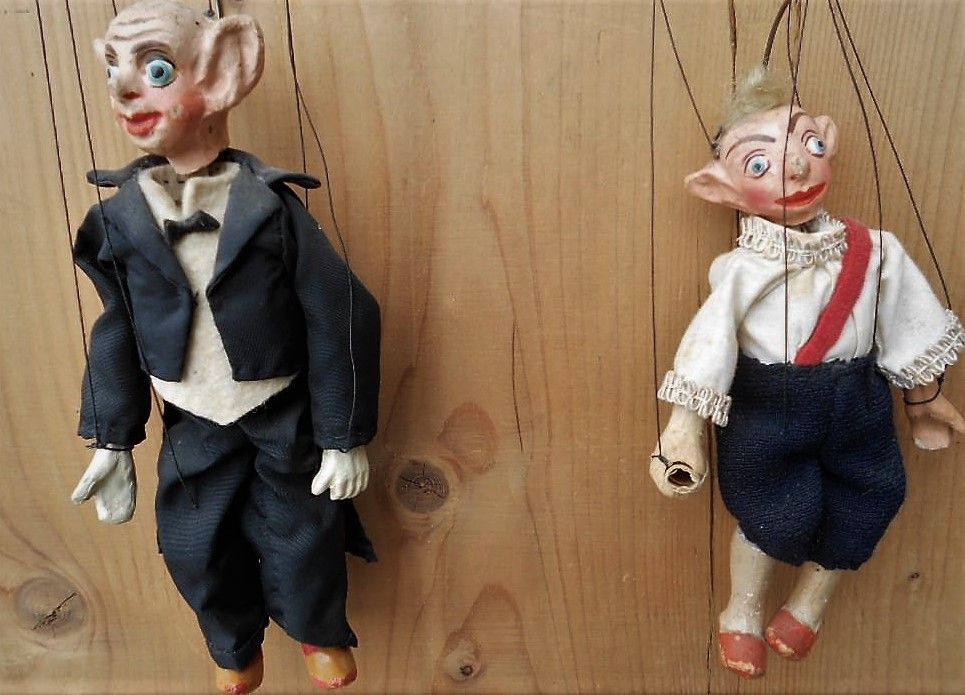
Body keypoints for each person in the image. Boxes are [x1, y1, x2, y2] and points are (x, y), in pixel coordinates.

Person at [68, 2, 380, 691]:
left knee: (304, 529)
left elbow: (342, 313)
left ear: (225, 73)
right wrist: (112, 439)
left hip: (278, 407)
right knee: (192, 541)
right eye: (113, 69)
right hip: (191, 414)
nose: (125, 89)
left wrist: (343, 436)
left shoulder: (270, 209)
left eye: (155, 70)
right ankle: (232, 643)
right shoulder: (118, 220)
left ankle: (317, 630)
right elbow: (116, 327)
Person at [649, 67, 964, 678]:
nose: (795, 167)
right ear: (720, 188)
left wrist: (922, 397)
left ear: (828, 140)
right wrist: (684, 428)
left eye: (810, 144)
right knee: (772, 510)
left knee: (870, 497)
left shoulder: (876, 251)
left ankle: (808, 604)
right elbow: (708, 346)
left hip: (857, 398)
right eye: (759, 163)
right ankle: (742, 610)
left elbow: (906, 322)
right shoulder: (741, 270)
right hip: (771, 404)